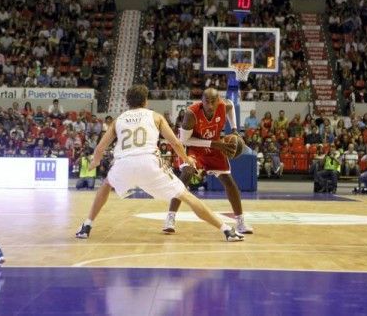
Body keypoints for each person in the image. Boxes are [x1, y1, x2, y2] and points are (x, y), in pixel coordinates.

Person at [74, 85, 244, 242]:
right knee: (187, 196)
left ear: (127, 102)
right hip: (149, 163)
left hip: (123, 163)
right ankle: (227, 230)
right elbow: (177, 143)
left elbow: (100, 148)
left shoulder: (118, 120)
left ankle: (86, 225)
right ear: (146, 101)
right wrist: (187, 159)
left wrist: (94, 163)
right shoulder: (155, 116)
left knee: (106, 185)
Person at [164, 88, 254, 234]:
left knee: (229, 182)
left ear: (218, 100)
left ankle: (240, 222)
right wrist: (215, 144)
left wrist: (235, 129)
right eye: (207, 102)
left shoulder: (223, 106)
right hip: (192, 147)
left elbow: (230, 105)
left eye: (214, 101)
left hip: (214, 146)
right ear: (202, 100)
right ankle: (170, 217)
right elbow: (184, 140)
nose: (211, 105)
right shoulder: (191, 114)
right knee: (186, 174)